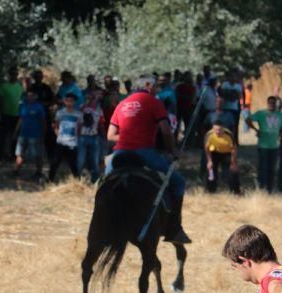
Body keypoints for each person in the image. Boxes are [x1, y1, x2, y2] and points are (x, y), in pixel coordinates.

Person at [105, 73, 190, 245]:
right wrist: (172, 150)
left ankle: (104, 224)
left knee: (104, 185)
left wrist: (127, 138)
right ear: (147, 85)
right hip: (145, 152)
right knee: (178, 183)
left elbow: (110, 136)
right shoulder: (154, 102)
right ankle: (174, 229)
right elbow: (166, 131)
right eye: (156, 86)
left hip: (120, 154)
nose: (158, 89)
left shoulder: (121, 104)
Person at [248, 96, 282, 193]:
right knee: (263, 168)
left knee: (272, 168)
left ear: (276, 104)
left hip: (274, 146)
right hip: (263, 145)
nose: (271, 105)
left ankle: (269, 189)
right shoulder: (261, 113)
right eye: (270, 103)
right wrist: (256, 129)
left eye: (273, 103)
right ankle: (261, 188)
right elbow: (248, 119)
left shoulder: (279, 115)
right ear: (267, 103)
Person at [13, 90, 47, 179]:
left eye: (31, 95)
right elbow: (20, 119)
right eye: (28, 95)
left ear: (35, 96)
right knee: (20, 153)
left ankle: (39, 172)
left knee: (37, 154)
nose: (29, 97)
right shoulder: (23, 105)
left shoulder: (39, 107)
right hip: (23, 134)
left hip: (35, 135)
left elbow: (43, 121)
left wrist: (43, 134)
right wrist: (16, 131)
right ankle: (16, 171)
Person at [49, 93, 82, 181]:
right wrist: (59, 136)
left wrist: (74, 138)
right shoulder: (60, 113)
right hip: (61, 142)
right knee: (55, 162)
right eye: (67, 100)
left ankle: (77, 181)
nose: (69, 103)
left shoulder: (78, 114)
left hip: (72, 143)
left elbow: (79, 128)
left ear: (74, 102)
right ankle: (50, 180)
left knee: (73, 164)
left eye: (71, 101)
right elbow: (56, 126)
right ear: (64, 101)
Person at [204, 118, 240, 194]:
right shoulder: (209, 135)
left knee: (232, 171)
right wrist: (209, 161)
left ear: (223, 129)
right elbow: (206, 149)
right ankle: (210, 191)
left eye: (220, 130)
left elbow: (234, 149)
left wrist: (233, 163)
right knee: (211, 171)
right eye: (215, 130)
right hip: (214, 153)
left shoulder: (229, 134)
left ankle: (235, 192)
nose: (218, 132)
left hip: (227, 153)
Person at [0, 68, 23, 161]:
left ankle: (13, 155)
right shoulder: (4, 86)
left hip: (16, 115)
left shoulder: (20, 87)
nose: (14, 76)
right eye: (12, 74)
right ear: (9, 75)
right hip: (5, 114)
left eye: (15, 74)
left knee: (14, 135)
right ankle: (1, 155)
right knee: (4, 135)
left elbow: (22, 100)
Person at [78, 90, 103, 183]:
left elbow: (101, 124)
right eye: (89, 98)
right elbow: (79, 123)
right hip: (83, 136)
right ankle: (78, 179)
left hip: (94, 136)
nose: (91, 100)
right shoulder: (82, 107)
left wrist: (103, 135)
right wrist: (78, 137)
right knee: (81, 160)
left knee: (94, 160)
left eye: (93, 98)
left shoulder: (99, 109)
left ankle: (95, 180)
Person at [219, 70, 244, 143]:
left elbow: (238, 96)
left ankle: (235, 140)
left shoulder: (238, 86)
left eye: (234, 77)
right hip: (226, 108)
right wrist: (231, 94)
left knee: (235, 125)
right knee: (226, 125)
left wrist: (230, 94)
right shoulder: (225, 84)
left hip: (235, 108)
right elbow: (223, 94)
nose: (233, 78)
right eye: (231, 76)